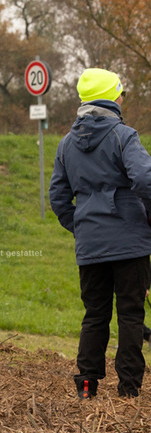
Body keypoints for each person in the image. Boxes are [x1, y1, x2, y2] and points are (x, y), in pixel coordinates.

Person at [50, 68, 151, 399]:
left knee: (95, 315)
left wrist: (81, 227)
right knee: (131, 315)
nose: (123, 98)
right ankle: (129, 389)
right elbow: (145, 180)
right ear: (113, 97)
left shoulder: (66, 144)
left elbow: (58, 199)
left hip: (90, 246)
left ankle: (87, 386)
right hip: (131, 244)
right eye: (121, 92)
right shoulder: (125, 136)